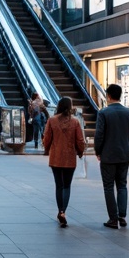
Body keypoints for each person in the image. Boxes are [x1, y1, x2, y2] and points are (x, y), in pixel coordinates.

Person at [94, 83, 129, 229]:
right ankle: (122, 216)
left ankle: (113, 218)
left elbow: (99, 135)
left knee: (108, 186)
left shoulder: (103, 113)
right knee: (122, 185)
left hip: (108, 155)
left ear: (109, 96)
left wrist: (98, 151)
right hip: (124, 154)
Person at [42, 96, 85, 227]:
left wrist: (47, 149)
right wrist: (80, 151)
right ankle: (63, 212)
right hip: (69, 158)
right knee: (67, 185)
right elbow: (80, 140)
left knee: (59, 185)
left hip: (56, 157)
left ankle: (60, 210)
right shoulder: (75, 122)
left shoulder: (52, 120)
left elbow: (47, 138)